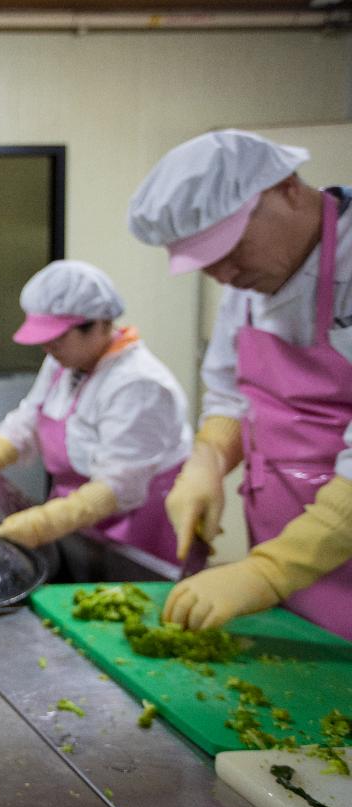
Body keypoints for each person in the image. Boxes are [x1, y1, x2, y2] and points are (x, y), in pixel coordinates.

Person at [129, 129, 352, 639]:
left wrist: (269, 572)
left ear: (288, 188)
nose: (223, 273)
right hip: (286, 548)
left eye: (230, 246)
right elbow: (232, 392)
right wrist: (208, 460)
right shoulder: (251, 279)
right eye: (207, 260)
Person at [0, 260, 194, 564]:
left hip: (135, 529)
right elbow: (30, 417)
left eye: (57, 338)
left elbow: (119, 486)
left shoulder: (139, 384)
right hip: (79, 520)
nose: (47, 348)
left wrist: (44, 523)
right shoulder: (62, 363)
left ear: (100, 324)